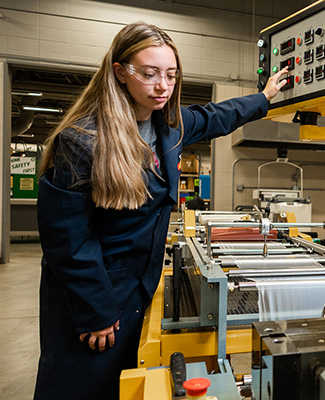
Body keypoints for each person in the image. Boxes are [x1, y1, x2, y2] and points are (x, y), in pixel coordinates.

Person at [33, 22, 288, 400]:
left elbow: (217, 115)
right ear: (120, 72)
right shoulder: (83, 140)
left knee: (124, 383)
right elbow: (67, 241)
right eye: (149, 74)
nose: (162, 86)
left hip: (140, 284)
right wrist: (96, 311)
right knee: (83, 385)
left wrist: (264, 97)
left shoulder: (168, 124)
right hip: (92, 293)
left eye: (170, 75)